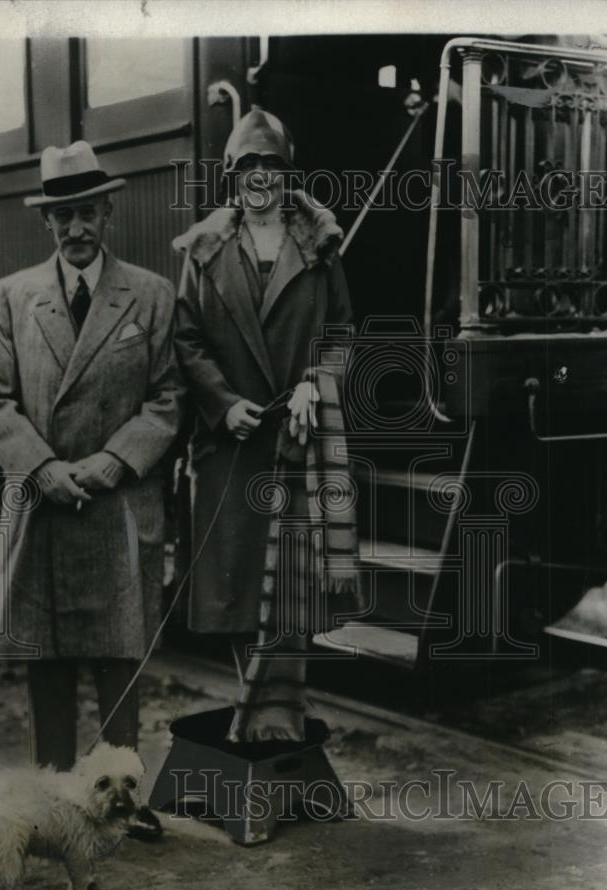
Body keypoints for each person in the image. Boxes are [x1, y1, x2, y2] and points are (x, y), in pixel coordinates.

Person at [0, 140, 182, 835]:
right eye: (63, 216)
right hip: (42, 503)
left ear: (108, 211)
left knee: (122, 655)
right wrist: (43, 468)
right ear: (48, 224)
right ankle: (56, 804)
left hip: (117, 499)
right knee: (48, 659)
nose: (76, 228)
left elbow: (166, 400)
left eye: (87, 212)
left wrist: (112, 463)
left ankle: (126, 802)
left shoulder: (151, 294)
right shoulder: (13, 296)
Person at [173, 109, 360, 743]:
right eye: (248, 165)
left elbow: (339, 333)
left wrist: (316, 383)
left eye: (271, 165)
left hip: (297, 439)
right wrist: (222, 402)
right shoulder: (204, 250)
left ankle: (281, 717)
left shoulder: (321, 243)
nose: (260, 177)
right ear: (232, 176)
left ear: (287, 173)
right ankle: (252, 712)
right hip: (231, 443)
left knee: (295, 580)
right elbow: (186, 339)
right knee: (236, 581)